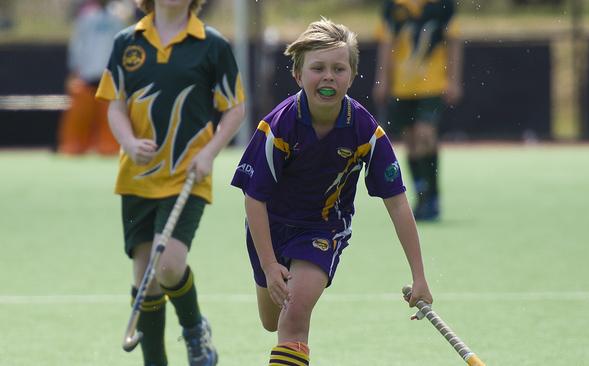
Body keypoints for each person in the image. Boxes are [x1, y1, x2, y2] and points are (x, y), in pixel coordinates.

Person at [231, 18, 432, 366]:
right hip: (269, 228)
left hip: (321, 229)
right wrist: (268, 263)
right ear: (298, 75)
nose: (328, 77)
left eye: (339, 69)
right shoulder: (277, 126)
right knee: (271, 321)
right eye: (318, 68)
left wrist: (419, 275)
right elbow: (254, 199)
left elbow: (397, 201)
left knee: (293, 316)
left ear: (351, 76)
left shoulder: (366, 131)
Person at [95, 0, 246, 365]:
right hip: (137, 180)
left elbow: (235, 109)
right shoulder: (126, 42)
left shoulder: (213, 45)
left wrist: (209, 152)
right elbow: (115, 106)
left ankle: (195, 331)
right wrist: (129, 143)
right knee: (145, 279)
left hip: (187, 177)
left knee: (169, 267)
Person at [373, 0, 463, 221]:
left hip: (432, 85)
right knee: (411, 141)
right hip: (401, 87)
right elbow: (386, 45)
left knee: (425, 134)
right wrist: (381, 80)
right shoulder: (393, 6)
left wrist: (453, 79)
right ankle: (420, 195)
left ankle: (433, 196)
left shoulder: (443, 5)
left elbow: (453, 42)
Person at [57, 0, 125, 155]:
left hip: (109, 73)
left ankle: (109, 146)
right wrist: (76, 68)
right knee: (81, 113)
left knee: (109, 112)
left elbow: (121, 44)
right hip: (87, 73)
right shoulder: (86, 18)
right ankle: (74, 145)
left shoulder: (117, 18)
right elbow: (78, 44)